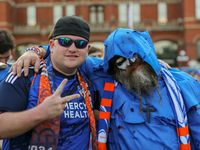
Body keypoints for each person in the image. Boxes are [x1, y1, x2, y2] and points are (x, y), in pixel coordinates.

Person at [10, 28, 200, 150]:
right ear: (112, 67)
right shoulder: (106, 77)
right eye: (120, 62)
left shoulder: (182, 83)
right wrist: (35, 51)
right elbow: (67, 53)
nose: (130, 65)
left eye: (135, 56)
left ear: (147, 52)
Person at [0, 16, 99, 150]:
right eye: (65, 42)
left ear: (87, 50)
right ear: (52, 45)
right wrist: (40, 113)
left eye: (80, 44)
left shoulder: (91, 78)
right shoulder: (24, 73)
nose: (72, 48)